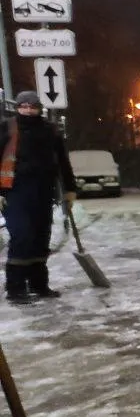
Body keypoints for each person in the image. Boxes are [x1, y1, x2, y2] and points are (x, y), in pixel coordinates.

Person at [0, 92, 76, 303]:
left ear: (39, 108)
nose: (28, 110)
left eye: (32, 106)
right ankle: (15, 289)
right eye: (23, 106)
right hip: (13, 193)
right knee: (22, 236)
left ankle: (39, 285)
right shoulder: (7, 128)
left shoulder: (50, 130)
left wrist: (70, 189)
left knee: (41, 237)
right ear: (17, 108)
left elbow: (62, 161)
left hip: (43, 191)